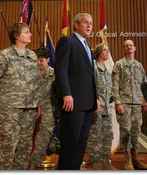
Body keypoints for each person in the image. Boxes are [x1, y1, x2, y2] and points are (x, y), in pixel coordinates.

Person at [0, 22, 40, 170]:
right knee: (9, 143)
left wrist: (38, 103)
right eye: (26, 32)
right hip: (8, 108)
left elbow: (36, 82)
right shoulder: (4, 55)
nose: (30, 34)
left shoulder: (32, 56)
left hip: (29, 108)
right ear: (16, 36)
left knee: (25, 145)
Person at [54, 13, 99, 170]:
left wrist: (96, 97)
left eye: (91, 23)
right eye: (86, 23)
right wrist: (66, 93)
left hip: (88, 102)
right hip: (72, 102)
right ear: (76, 25)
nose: (89, 26)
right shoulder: (67, 41)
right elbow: (61, 70)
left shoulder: (87, 46)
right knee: (70, 142)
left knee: (81, 142)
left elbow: (89, 76)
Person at [111, 39, 147, 170]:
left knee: (136, 131)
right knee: (126, 132)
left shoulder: (139, 66)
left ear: (135, 48)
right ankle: (127, 159)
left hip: (137, 105)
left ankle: (135, 158)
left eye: (130, 46)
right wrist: (118, 103)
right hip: (124, 104)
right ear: (124, 48)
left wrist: (146, 101)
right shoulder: (119, 65)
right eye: (126, 46)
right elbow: (114, 86)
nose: (128, 47)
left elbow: (145, 85)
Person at [86, 43, 116, 170]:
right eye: (104, 50)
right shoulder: (93, 67)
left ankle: (105, 158)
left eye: (108, 50)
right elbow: (89, 86)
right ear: (99, 52)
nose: (107, 52)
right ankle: (96, 160)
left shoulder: (108, 70)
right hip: (96, 107)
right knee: (95, 135)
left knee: (108, 134)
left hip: (107, 109)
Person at [29, 47, 57, 169]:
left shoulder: (54, 74)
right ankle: (60, 147)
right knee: (30, 137)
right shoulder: (32, 73)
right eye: (37, 60)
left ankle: (33, 165)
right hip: (32, 109)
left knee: (43, 137)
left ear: (48, 60)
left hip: (49, 110)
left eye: (41, 60)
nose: (39, 63)